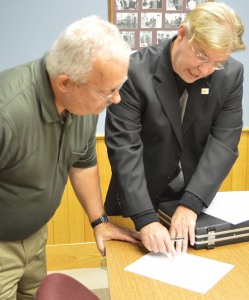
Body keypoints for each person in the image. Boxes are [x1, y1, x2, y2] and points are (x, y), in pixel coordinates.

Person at [0, 15, 140, 299]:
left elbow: (82, 162)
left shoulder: (81, 104)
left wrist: (100, 222)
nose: (116, 99)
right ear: (65, 83)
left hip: (35, 239)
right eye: (108, 91)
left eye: (118, 87)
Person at [104, 2, 245, 258]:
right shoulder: (134, 72)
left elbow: (224, 142)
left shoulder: (231, 75)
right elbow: (124, 148)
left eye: (216, 62)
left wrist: (192, 203)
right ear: (182, 33)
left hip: (195, 196)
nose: (204, 70)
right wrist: (146, 218)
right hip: (139, 197)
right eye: (201, 56)